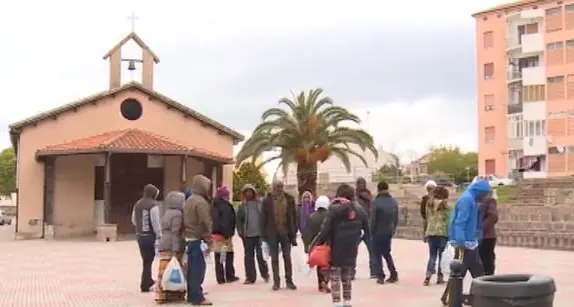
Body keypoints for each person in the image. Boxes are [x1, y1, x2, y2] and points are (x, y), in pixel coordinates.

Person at [314, 184, 370, 307]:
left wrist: (318, 243)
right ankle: (347, 302)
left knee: (335, 278)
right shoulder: (359, 209)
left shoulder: (333, 209)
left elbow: (324, 230)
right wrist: (357, 238)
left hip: (335, 250)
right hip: (351, 249)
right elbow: (367, 229)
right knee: (347, 277)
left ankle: (337, 303)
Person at [440, 180, 490, 306]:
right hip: (464, 244)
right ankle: (448, 298)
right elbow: (460, 222)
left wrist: (477, 237)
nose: (486, 197)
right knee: (458, 272)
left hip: (471, 242)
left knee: (477, 271)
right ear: (480, 192)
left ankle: (485, 297)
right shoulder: (467, 200)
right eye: (485, 194)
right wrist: (461, 241)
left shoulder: (473, 200)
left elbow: (474, 223)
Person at [261, 180, 298, 291]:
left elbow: (294, 216)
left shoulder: (289, 199)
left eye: (281, 186)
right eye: (277, 186)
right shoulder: (267, 200)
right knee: (274, 258)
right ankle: (276, 282)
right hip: (272, 233)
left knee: (287, 257)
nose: (279, 188)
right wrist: (263, 235)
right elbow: (263, 218)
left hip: (285, 232)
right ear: (273, 187)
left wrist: (294, 232)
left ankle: (289, 281)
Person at [183, 175, 213, 306]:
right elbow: (205, 222)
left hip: (189, 238)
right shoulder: (201, 202)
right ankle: (198, 297)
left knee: (191, 268)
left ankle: (191, 293)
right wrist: (209, 239)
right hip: (198, 239)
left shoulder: (190, 200)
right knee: (198, 269)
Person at [155, 191, 187, 303]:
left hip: (163, 243)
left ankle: (160, 294)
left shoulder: (167, 212)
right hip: (171, 245)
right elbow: (175, 233)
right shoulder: (178, 214)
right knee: (176, 269)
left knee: (163, 270)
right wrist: (176, 249)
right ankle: (175, 293)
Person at [236, 184, 270, 284]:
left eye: (250, 191)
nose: (248, 193)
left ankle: (265, 274)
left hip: (259, 235)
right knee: (248, 257)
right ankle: (250, 277)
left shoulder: (260, 204)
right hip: (248, 235)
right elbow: (239, 221)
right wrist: (241, 232)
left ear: (254, 192)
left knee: (260, 256)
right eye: (246, 192)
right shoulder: (242, 206)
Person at [131, 184, 161, 293]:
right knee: (149, 259)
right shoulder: (153, 205)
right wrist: (159, 234)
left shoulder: (137, 204)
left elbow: (134, 220)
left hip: (139, 235)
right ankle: (145, 283)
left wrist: (140, 227)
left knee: (146, 259)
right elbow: (155, 221)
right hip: (149, 236)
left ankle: (147, 280)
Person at [370, 181, 399, 285]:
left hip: (378, 231)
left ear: (378, 189)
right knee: (387, 253)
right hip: (388, 231)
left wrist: (371, 231)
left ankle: (380, 276)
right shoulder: (393, 202)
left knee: (377, 254)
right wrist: (393, 229)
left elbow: (373, 220)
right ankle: (393, 273)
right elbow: (396, 218)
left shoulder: (376, 202)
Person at [302, 195, 331, 293]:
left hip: (316, 244)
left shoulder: (312, 216)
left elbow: (307, 232)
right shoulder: (330, 216)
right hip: (328, 243)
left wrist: (307, 246)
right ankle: (326, 281)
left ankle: (320, 284)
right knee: (328, 263)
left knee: (320, 263)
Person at [211, 186, 240, 284]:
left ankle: (220, 278)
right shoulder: (225, 206)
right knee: (228, 254)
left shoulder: (214, 205)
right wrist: (227, 234)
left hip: (216, 234)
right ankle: (230, 275)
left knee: (218, 255)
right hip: (224, 235)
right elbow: (227, 221)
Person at [423, 186, 450, 286]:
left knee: (432, 255)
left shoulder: (428, 204)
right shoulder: (445, 206)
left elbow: (426, 218)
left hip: (431, 232)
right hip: (442, 233)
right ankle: (440, 276)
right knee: (442, 257)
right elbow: (448, 220)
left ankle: (428, 275)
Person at [355, 177, 376, 278]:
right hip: (357, 227)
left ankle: (374, 272)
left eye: (362, 183)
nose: (361, 185)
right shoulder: (354, 197)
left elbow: (372, 210)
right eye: (359, 183)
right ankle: (351, 272)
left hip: (367, 227)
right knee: (353, 250)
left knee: (372, 250)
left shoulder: (368, 196)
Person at [479, 189, 499, 276]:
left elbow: (493, 216)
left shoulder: (489, 200)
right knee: (481, 261)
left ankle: (489, 280)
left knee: (487, 261)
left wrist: (481, 228)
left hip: (487, 236)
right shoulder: (479, 200)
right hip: (480, 236)